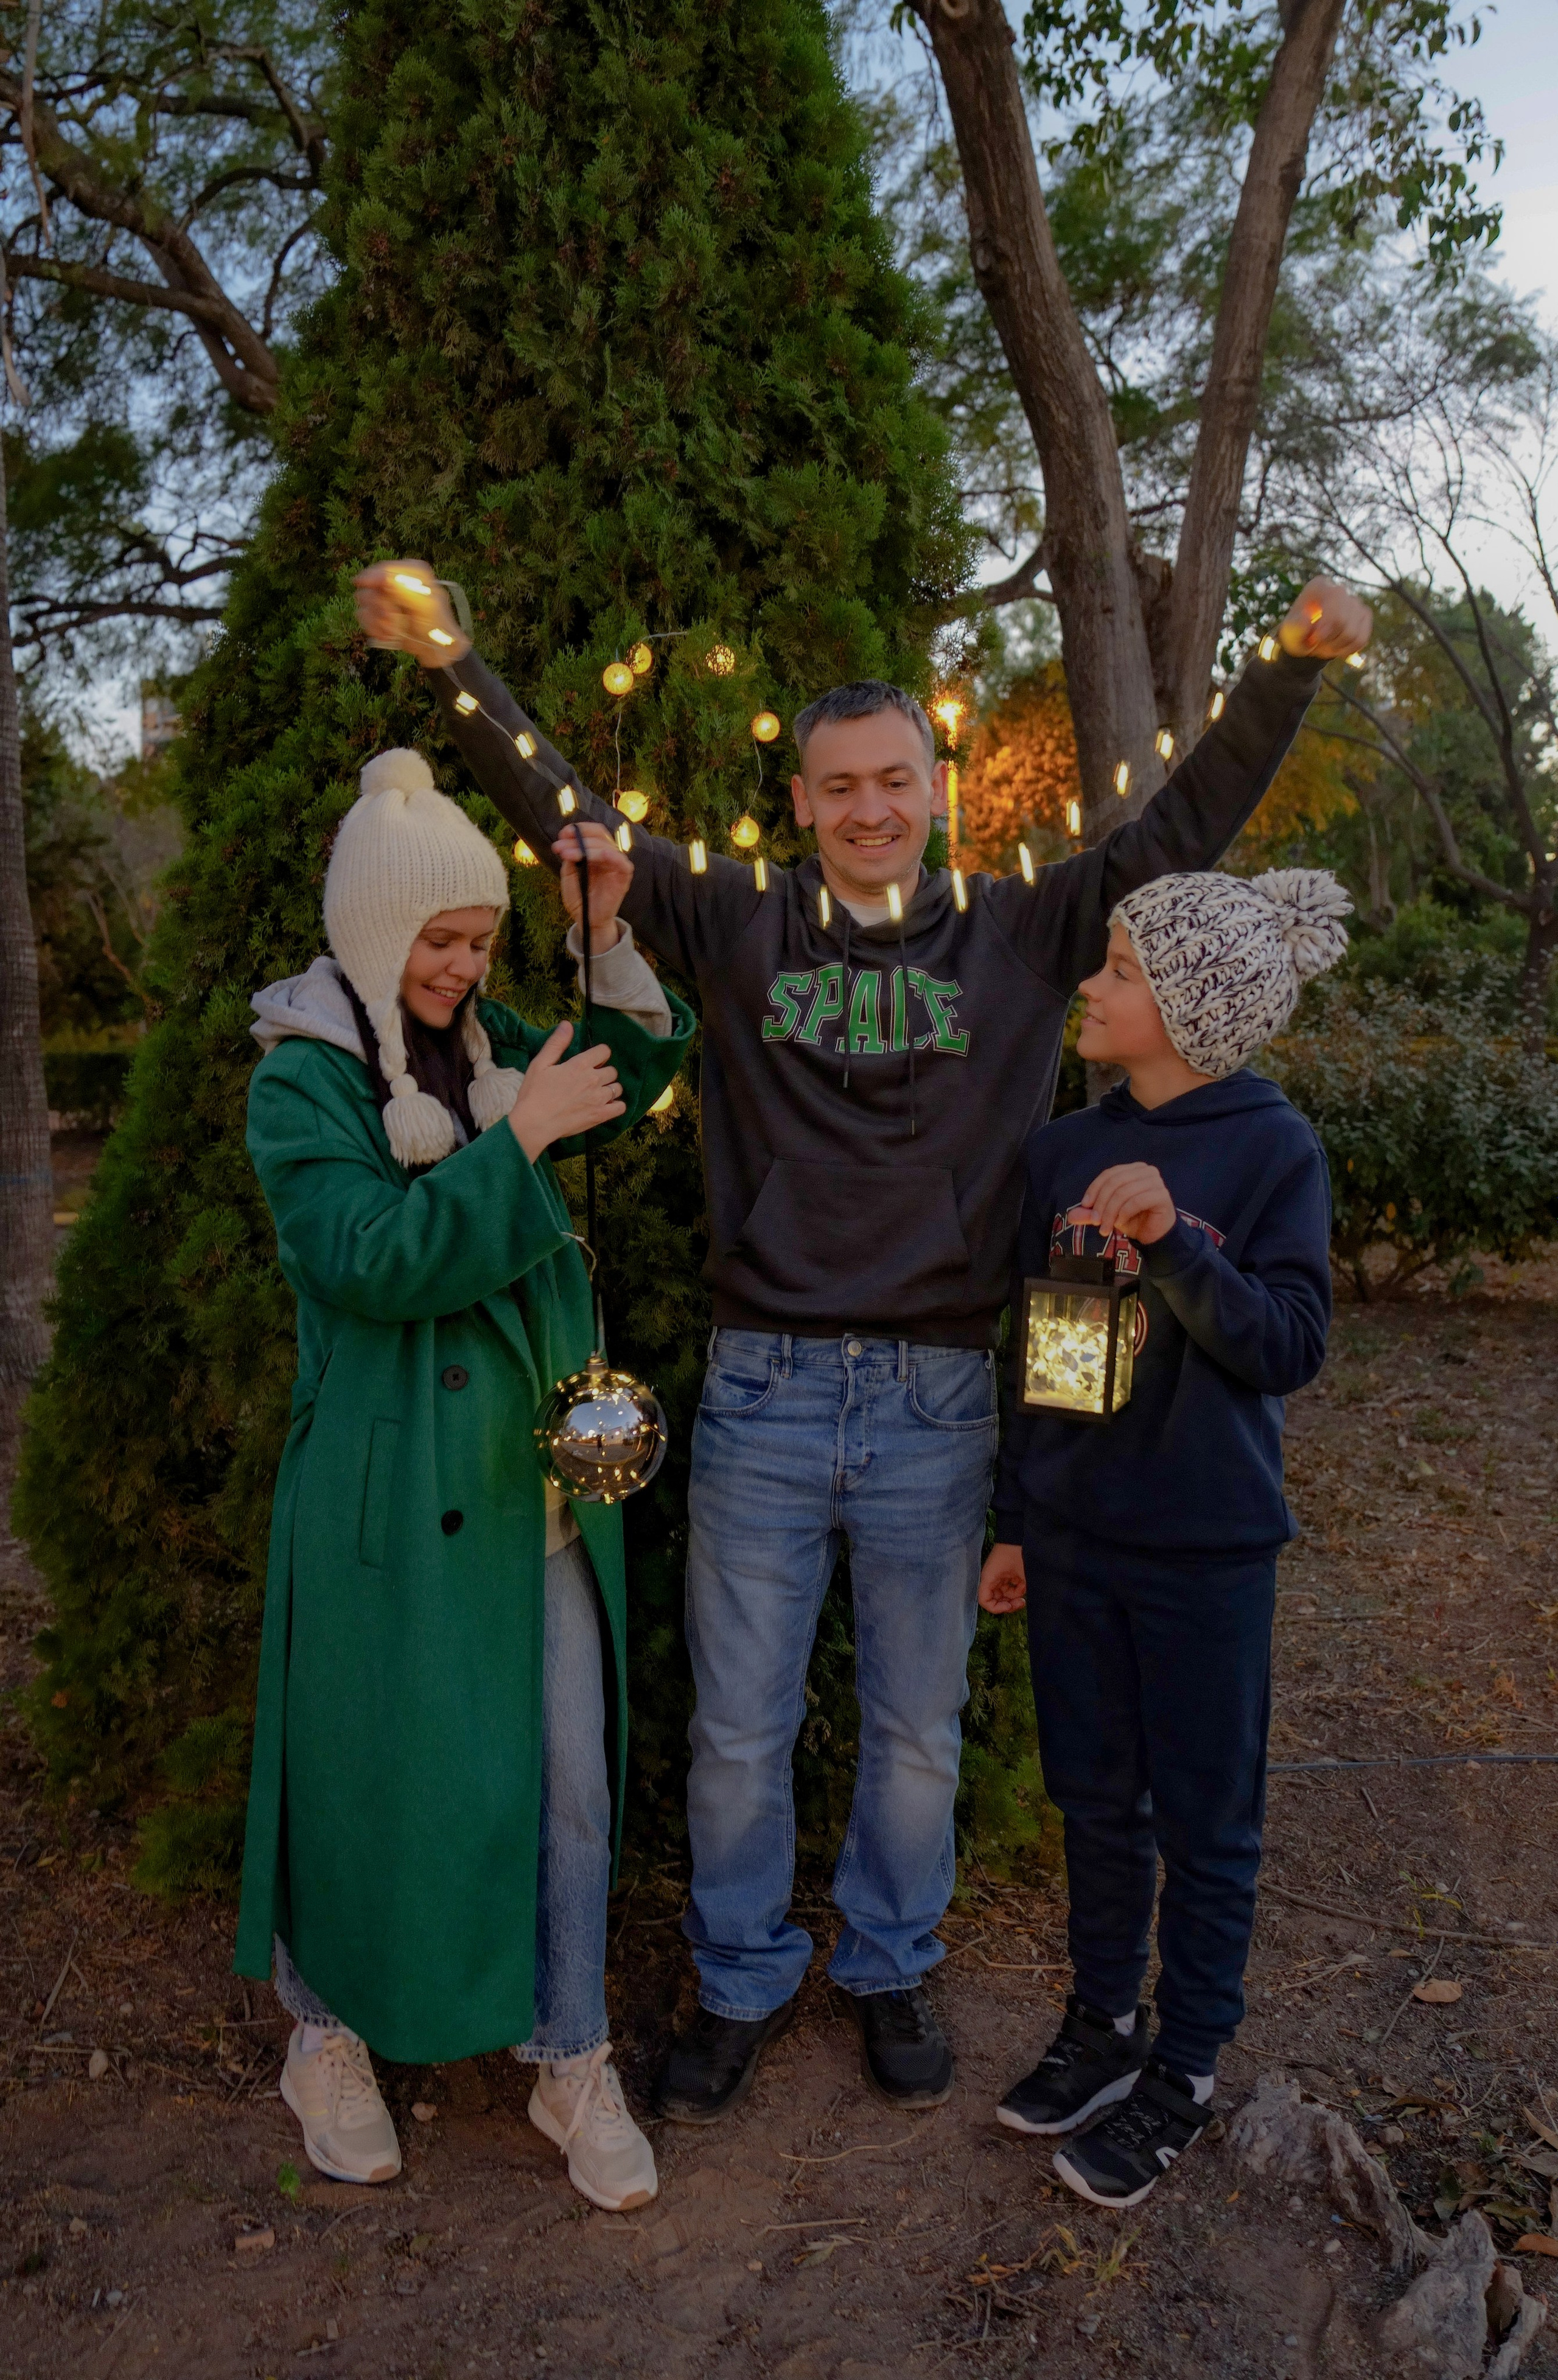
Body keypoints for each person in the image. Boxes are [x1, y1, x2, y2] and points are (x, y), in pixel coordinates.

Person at [353, 562, 1371, 2124]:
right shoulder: (739, 914)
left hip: (943, 1397)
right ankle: (739, 1977)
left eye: (896, 778)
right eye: (839, 786)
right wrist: (455, 663)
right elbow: (570, 810)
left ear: (936, 787)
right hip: (764, 1384)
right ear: (803, 802)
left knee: (913, 1726)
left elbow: (1178, 828)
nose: (869, 807)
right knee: (739, 1729)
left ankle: (891, 1964)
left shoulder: (1029, 929)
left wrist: (1288, 667)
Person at [234, 746, 693, 2212]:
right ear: (373, 936)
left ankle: (569, 2052)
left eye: (482, 938)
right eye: (438, 941)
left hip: (529, 1488)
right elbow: (370, 1262)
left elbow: (643, 1063)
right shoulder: (302, 1081)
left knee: (565, 1777)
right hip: (383, 1499)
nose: (463, 966)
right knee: (362, 1768)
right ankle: (328, 2037)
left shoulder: (496, 1046)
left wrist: (604, 933)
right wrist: (524, 1149)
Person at [979, 867, 1351, 2210]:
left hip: (1202, 1548)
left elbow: (1288, 1345)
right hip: (1075, 1538)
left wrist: (1177, 1248)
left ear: (1189, 1007)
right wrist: (1018, 1519)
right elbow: (1039, 1353)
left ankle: (1182, 2067)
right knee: (1094, 1798)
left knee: (1204, 1819)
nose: (1090, 983)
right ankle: (1099, 2028)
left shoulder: (1269, 1150)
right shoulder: (1059, 1153)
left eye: (1121, 969)